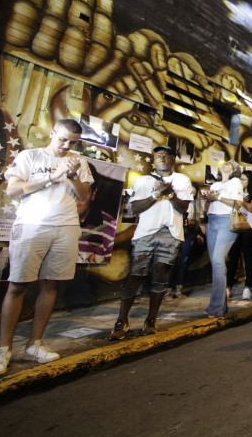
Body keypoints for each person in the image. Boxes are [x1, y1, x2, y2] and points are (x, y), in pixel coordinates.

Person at [0, 119, 93, 377]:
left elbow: (83, 196)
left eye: (73, 142)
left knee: (50, 284)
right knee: (18, 285)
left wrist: (72, 174)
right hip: (32, 225)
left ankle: (34, 344)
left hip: (65, 227)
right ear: (53, 133)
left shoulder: (79, 161)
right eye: (63, 139)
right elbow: (12, 191)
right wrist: (51, 177)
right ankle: (3, 349)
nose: (67, 146)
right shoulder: (29, 156)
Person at [108, 145, 194, 340]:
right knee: (135, 275)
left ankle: (151, 319)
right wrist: (156, 194)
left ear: (173, 159)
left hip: (171, 233)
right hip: (145, 233)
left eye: (166, 155)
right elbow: (136, 208)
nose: (162, 159)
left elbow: (183, 209)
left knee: (161, 275)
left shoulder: (182, 180)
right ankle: (122, 320)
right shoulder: (143, 180)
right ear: (153, 161)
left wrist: (170, 193)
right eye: (158, 156)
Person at [200, 160, 243, 318]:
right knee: (215, 262)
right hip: (212, 220)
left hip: (227, 220)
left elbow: (238, 203)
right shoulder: (215, 185)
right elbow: (209, 204)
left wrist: (218, 198)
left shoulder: (235, 181)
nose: (225, 164)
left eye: (229, 163)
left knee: (218, 261)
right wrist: (207, 200)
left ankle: (215, 307)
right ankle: (221, 305)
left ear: (233, 169)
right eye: (224, 162)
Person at [77, 162, 118, 265]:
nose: (74, 199)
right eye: (70, 191)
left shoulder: (110, 229)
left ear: (93, 194)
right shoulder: (46, 220)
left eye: (82, 193)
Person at [229, 169, 252, 297]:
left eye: (243, 179)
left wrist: (239, 198)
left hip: (251, 227)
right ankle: (229, 285)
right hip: (237, 226)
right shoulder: (237, 190)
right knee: (233, 256)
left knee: (248, 256)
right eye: (240, 179)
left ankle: (247, 285)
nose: (241, 181)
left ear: (250, 180)